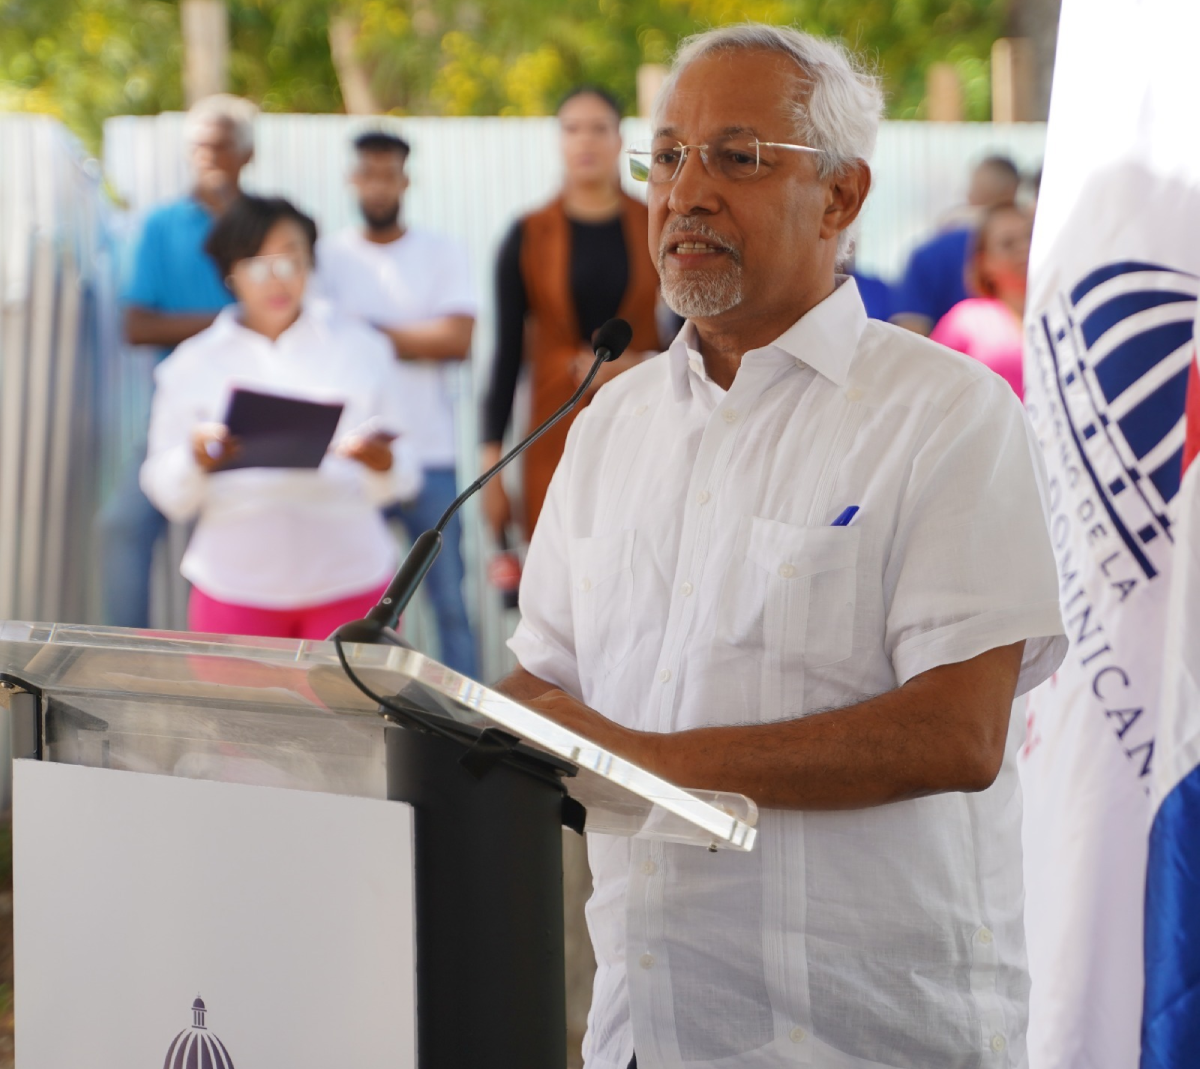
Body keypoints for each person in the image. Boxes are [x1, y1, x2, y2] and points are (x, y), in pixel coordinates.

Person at [495, 23, 1067, 1069]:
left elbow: (958, 729)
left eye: (738, 157)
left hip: (864, 1040)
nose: (688, 192)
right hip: (645, 1030)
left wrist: (651, 767)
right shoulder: (611, 423)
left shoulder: (946, 414)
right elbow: (545, 684)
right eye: (669, 157)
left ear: (841, 196)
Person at [140, 195, 421, 640]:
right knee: (235, 692)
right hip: (233, 586)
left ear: (311, 263)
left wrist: (383, 462)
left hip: (351, 582)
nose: (276, 279)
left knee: (352, 689)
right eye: (256, 265)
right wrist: (195, 459)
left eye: (291, 260)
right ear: (230, 272)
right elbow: (166, 490)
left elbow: (407, 473)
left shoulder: (363, 348)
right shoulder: (190, 365)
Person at [314, 130, 479, 676]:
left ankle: (466, 715)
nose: (379, 187)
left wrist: (362, 331)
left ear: (406, 180)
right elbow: (320, 347)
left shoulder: (441, 251)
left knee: (450, 603)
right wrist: (410, 335)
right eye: (369, 174)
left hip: (430, 454)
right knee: (351, 597)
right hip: (352, 458)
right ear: (351, 178)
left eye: (389, 175)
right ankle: (355, 701)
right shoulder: (326, 257)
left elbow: (456, 340)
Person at [98, 94, 258, 629]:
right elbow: (137, 326)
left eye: (221, 146)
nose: (208, 156)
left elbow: (287, 319)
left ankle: (213, 667)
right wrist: (233, 321)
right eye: (198, 147)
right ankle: (126, 660)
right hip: (177, 408)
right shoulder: (160, 225)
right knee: (123, 526)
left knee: (218, 543)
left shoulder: (267, 225)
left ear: (247, 154)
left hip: (254, 409)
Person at [481, 86, 663, 541]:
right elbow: (506, 354)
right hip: (553, 422)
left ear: (619, 140)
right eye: (572, 129)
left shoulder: (656, 225)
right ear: (559, 141)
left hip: (640, 417)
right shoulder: (527, 234)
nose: (586, 141)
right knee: (555, 557)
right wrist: (491, 468)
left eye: (599, 129)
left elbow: (694, 334)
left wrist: (639, 365)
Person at [890, 153, 1021, 336]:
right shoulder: (1029, 252)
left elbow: (910, 331)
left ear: (971, 192)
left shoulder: (928, 253)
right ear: (1013, 191)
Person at [931, 203, 1033, 398]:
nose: (1024, 248)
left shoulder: (1065, 313)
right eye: (1008, 244)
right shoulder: (964, 322)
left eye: (1030, 236)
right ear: (984, 262)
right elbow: (930, 384)